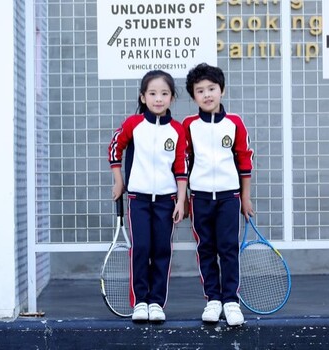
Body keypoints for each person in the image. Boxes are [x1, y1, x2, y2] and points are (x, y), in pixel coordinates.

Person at [108, 70, 188, 322]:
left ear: (172, 98)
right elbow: (114, 148)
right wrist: (119, 181)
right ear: (143, 97)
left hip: (166, 202)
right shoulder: (133, 124)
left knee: (162, 250)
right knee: (141, 249)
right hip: (138, 201)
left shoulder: (177, 130)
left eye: (164, 93)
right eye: (152, 93)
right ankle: (140, 301)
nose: (158, 99)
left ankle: (156, 303)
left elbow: (181, 167)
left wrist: (182, 201)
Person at [182, 63, 254, 326]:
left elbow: (245, 161)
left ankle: (231, 301)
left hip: (229, 197)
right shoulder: (188, 125)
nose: (207, 94)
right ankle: (213, 299)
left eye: (212, 88)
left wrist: (244, 197)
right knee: (206, 248)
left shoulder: (234, 123)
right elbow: (183, 163)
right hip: (199, 197)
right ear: (193, 96)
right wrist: (185, 198)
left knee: (228, 248)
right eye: (200, 91)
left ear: (222, 90)